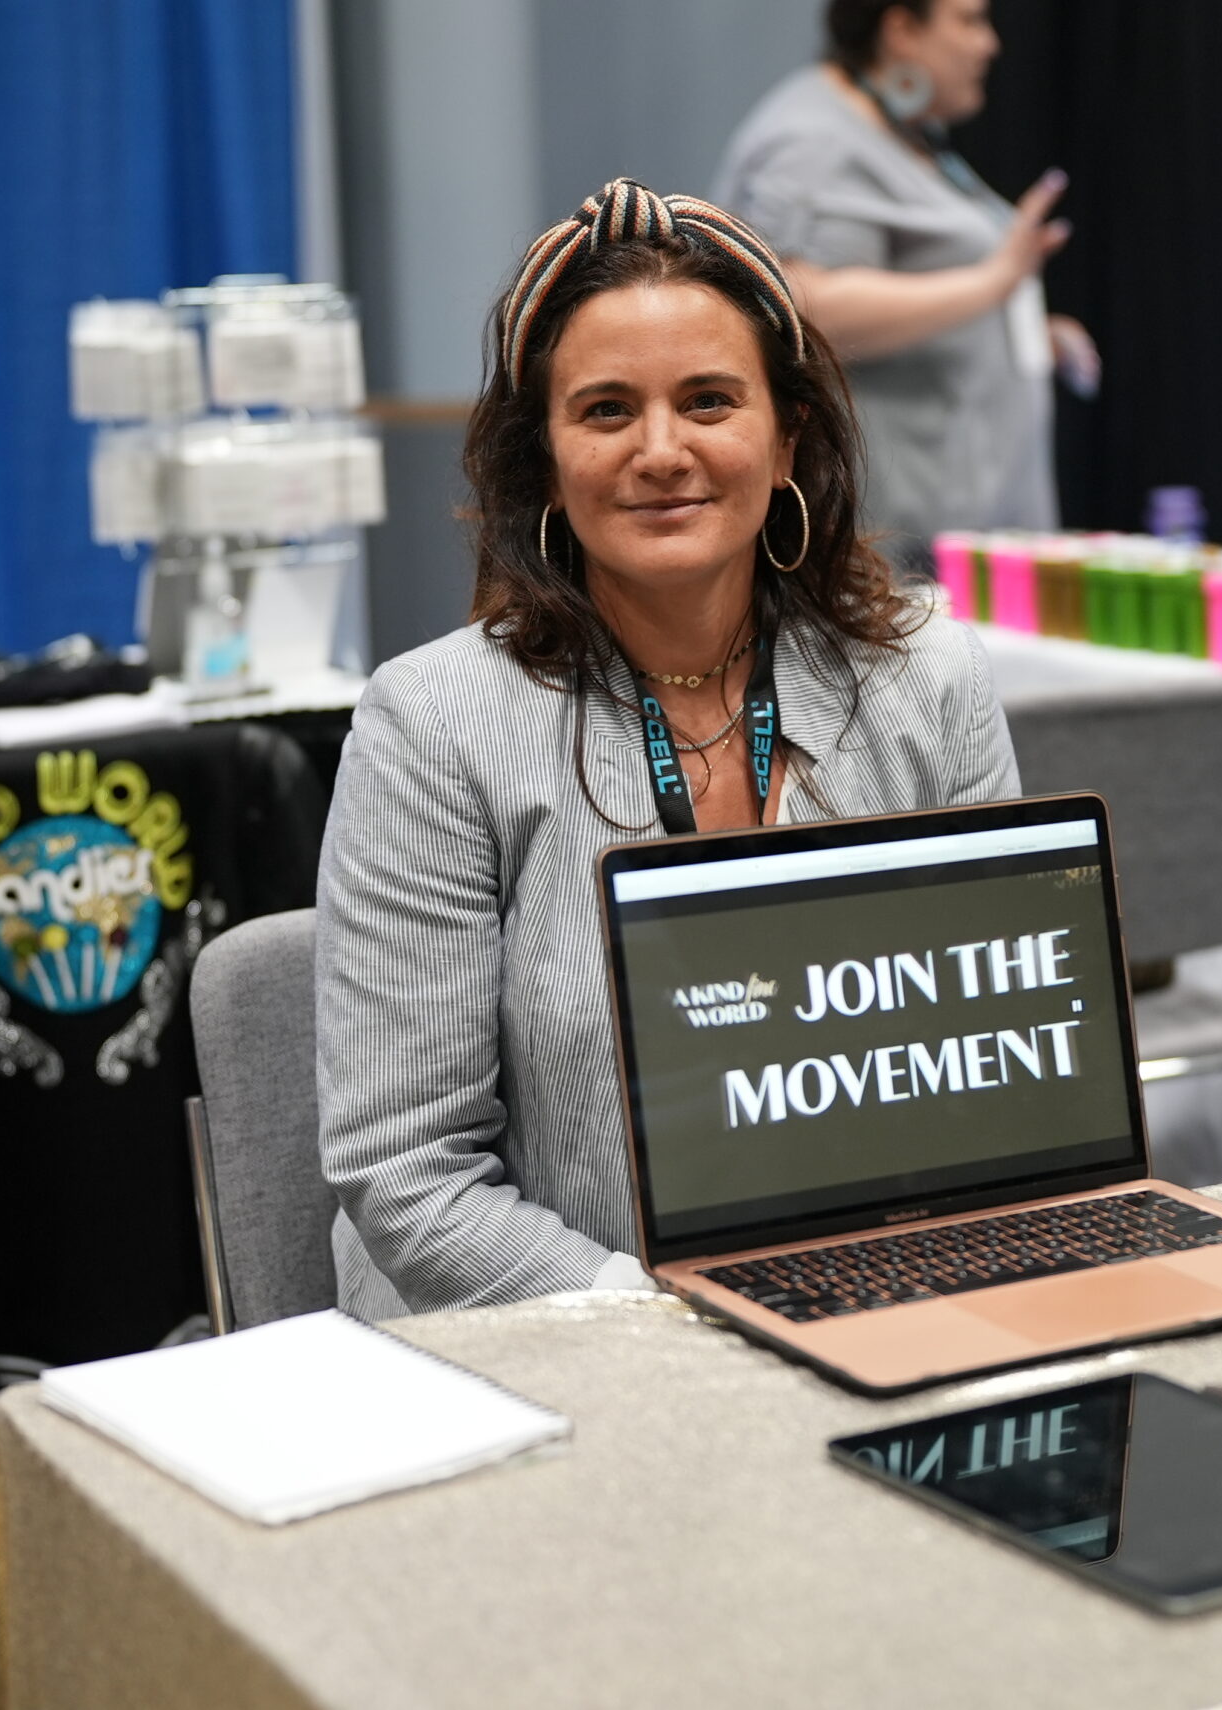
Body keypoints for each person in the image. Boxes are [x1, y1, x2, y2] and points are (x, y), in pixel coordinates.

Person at [316, 180, 1022, 1317]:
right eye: (604, 411)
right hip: (555, 1347)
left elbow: (999, 1074)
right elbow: (409, 1176)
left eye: (708, 400)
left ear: (787, 437)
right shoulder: (432, 725)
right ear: (542, 461)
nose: (661, 451)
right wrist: (688, 1335)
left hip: (879, 1306)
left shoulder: (929, 681)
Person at [712, 0, 1093, 573]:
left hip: (967, 539)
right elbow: (802, 303)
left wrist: (1024, 329)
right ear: (901, 29)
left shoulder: (906, 133)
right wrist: (990, 284)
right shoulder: (815, 140)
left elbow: (921, 296)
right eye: (969, 20)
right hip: (895, 551)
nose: (989, 44)